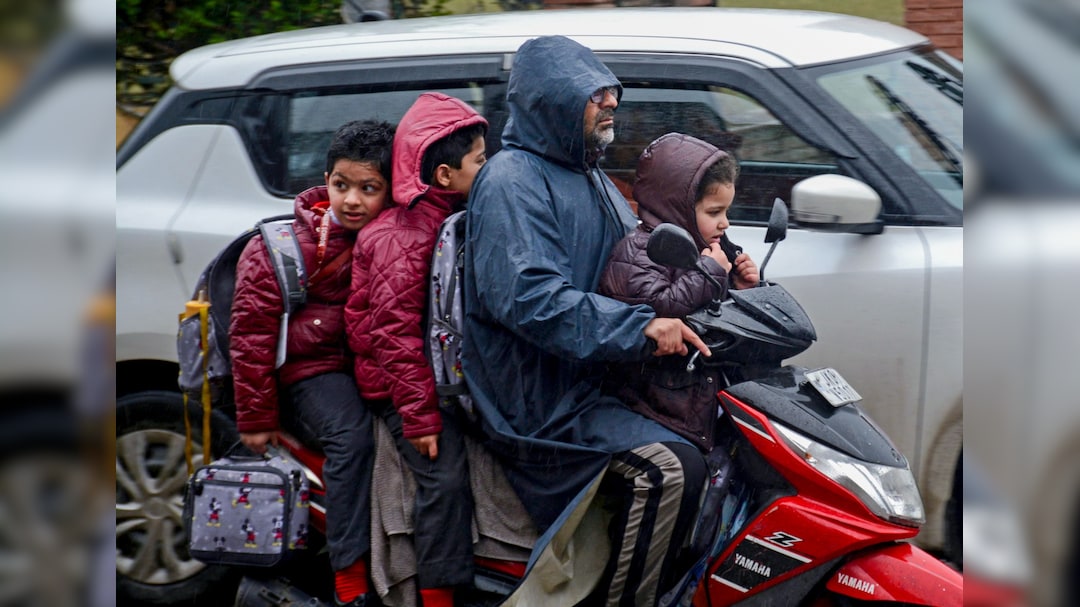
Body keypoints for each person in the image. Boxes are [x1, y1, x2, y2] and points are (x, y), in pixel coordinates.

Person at [462, 36, 711, 607]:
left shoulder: (589, 174)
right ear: (552, 101)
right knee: (669, 470)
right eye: (593, 94)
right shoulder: (511, 182)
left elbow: (640, 256)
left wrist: (713, 273)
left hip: (595, 377)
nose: (609, 103)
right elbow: (530, 297)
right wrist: (639, 329)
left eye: (610, 92)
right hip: (542, 400)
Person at [231, 119, 395, 607]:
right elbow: (251, 335)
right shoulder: (284, 247)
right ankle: (349, 570)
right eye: (340, 185)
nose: (351, 200)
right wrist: (256, 418)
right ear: (325, 180)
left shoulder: (394, 238)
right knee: (352, 438)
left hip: (363, 367)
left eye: (369, 189)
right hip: (310, 372)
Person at [345, 92, 487, 607]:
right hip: (398, 386)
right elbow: (391, 332)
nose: (488, 168)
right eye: (480, 160)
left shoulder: (449, 217)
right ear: (445, 175)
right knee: (443, 477)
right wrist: (420, 418)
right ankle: (436, 593)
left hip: (436, 373)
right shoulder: (403, 234)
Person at [599, 132, 760, 453]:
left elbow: (714, 312)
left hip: (693, 391)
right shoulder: (639, 252)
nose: (724, 223)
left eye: (726, 212)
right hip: (654, 399)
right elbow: (662, 306)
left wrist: (742, 286)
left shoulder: (707, 247)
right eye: (714, 213)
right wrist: (712, 272)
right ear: (679, 208)